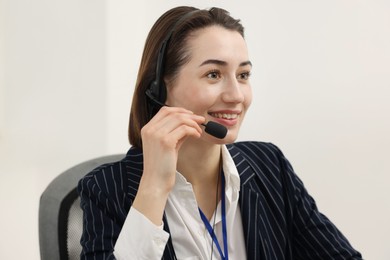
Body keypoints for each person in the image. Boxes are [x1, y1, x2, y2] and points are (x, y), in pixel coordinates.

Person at [78, 6, 362, 260]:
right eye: (213, 74)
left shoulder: (270, 166)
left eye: (243, 75)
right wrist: (153, 186)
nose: (236, 95)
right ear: (160, 87)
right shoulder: (106, 188)